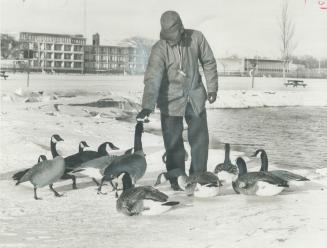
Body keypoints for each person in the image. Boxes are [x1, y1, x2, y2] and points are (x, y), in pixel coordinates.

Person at [136, 10, 218, 190]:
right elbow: (153, 78)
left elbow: (209, 62)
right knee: (173, 143)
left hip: (194, 96)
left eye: (174, 35)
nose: (171, 40)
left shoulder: (197, 38)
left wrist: (212, 88)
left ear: (181, 29)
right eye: (168, 37)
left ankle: (198, 177)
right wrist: (147, 106)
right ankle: (176, 179)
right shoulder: (159, 49)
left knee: (200, 140)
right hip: (170, 100)